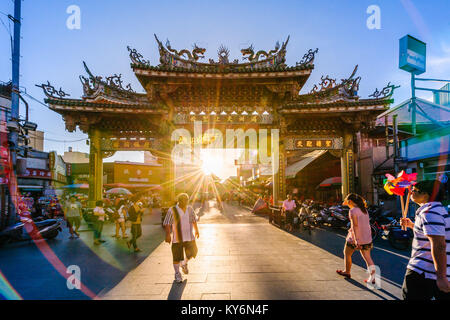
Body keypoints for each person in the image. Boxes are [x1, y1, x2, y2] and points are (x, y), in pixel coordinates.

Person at [400, 180, 450, 300]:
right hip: (433, 273)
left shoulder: (429, 213)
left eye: (415, 191)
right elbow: (431, 237)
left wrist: (441, 277)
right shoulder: (438, 210)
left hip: (424, 272)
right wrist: (412, 226)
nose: (411, 192)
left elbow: (439, 245)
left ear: (426, 195)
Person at [336, 193, 376, 284]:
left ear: (350, 201)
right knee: (368, 258)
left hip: (355, 238)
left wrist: (356, 240)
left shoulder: (353, 211)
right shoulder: (364, 210)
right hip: (366, 237)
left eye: (347, 200)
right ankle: (372, 278)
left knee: (347, 253)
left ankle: (347, 271)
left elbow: (355, 226)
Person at [163, 193, 200, 283]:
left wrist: (196, 230)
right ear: (179, 201)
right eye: (183, 200)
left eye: (186, 200)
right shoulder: (172, 210)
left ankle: (184, 263)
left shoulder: (190, 209)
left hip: (189, 237)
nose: (185, 201)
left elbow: (193, 220)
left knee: (193, 252)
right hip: (177, 239)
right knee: (176, 257)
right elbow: (167, 223)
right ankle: (177, 274)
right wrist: (168, 235)